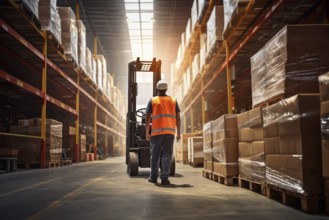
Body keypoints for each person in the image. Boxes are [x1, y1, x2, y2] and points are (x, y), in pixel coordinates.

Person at [145, 79, 181, 185]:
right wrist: (178, 132)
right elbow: (178, 118)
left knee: (155, 156)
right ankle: (164, 178)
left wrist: (147, 132)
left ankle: (153, 177)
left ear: (157, 89)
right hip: (169, 133)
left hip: (156, 134)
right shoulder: (173, 100)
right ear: (166, 89)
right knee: (167, 155)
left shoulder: (153, 100)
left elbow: (147, 118)